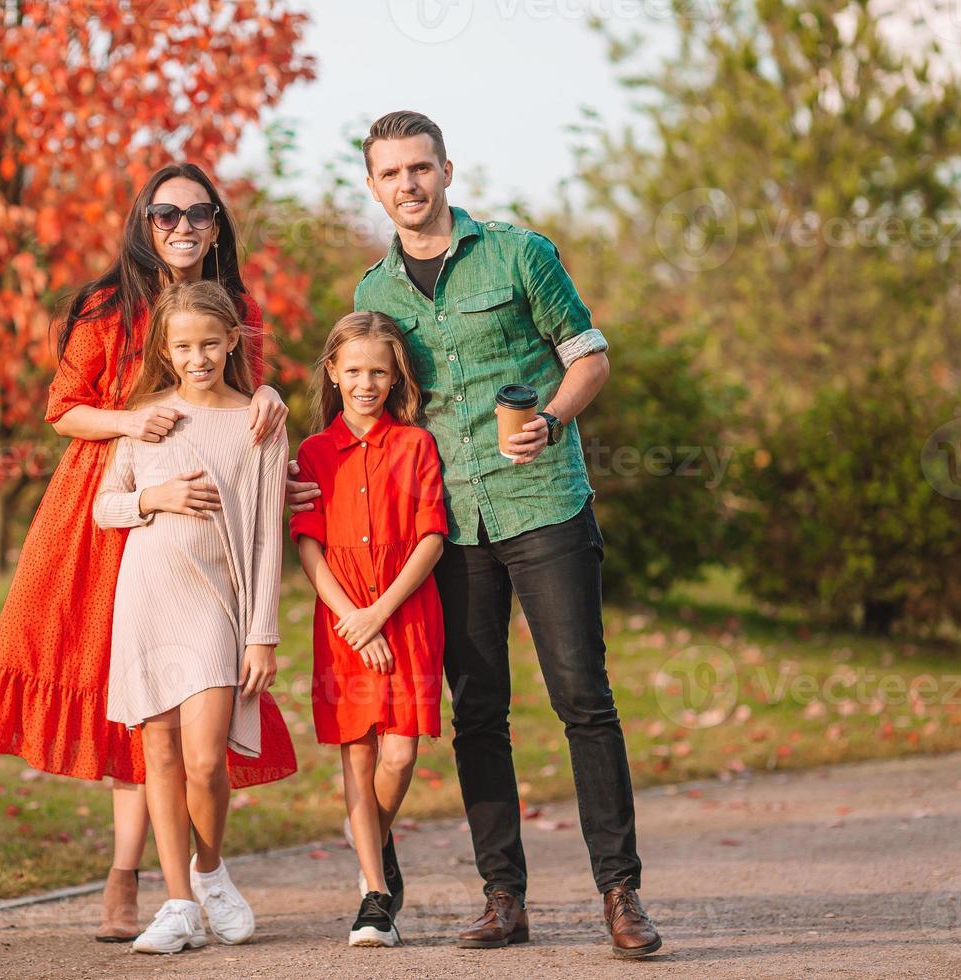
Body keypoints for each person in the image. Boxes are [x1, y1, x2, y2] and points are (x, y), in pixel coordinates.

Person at [0, 164, 299, 941]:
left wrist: (272, 398)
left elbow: (238, 415)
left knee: (150, 700)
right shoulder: (110, 306)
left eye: (197, 213)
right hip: (93, 509)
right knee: (18, 662)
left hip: (187, 540)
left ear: (216, 224)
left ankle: (127, 883)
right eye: (165, 214)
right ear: (144, 221)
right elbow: (63, 411)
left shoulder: (237, 310)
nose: (181, 226)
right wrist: (129, 424)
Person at [329, 110, 662, 958]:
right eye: (390, 173)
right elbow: (378, 409)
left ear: (446, 170)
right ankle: (502, 898)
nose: (407, 184)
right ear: (373, 186)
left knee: (583, 699)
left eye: (420, 168)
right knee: (479, 714)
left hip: (544, 502)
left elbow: (588, 353)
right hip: (449, 529)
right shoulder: (375, 294)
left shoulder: (521, 254)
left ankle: (620, 894)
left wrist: (550, 419)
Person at [93, 278, 292, 954]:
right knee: (159, 752)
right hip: (147, 597)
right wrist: (157, 496)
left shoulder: (259, 422)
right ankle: (176, 903)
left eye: (210, 343)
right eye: (183, 346)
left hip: (216, 605)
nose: (198, 357)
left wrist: (262, 633)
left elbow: (268, 534)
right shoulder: (149, 418)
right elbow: (105, 507)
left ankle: (210, 872)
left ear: (233, 340)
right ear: (166, 350)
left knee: (206, 760)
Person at [290, 311, 447, 948]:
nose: (365, 382)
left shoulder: (416, 445)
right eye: (353, 370)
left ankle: (373, 840)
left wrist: (379, 613)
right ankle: (374, 895)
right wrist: (354, 621)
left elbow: (433, 535)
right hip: (341, 620)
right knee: (358, 754)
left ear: (394, 376)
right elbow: (308, 546)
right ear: (332, 371)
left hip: (405, 615)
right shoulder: (312, 452)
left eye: (378, 371)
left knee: (401, 752)